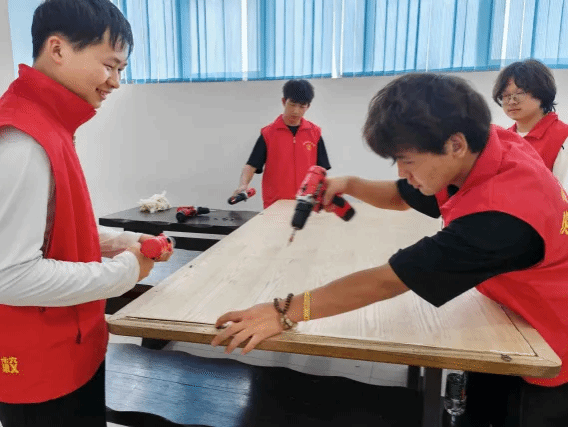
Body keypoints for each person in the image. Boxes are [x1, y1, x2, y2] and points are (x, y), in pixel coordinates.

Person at [212, 73, 568, 427]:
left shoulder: (501, 217)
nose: (402, 171)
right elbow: (403, 195)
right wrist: (347, 184)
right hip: (506, 314)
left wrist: (285, 312)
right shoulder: (485, 146)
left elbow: (390, 280)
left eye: (408, 161)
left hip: (546, 344)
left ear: (455, 145)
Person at [0, 1, 172, 426]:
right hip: (42, 368)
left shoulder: (51, 125)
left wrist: (119, 242)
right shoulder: (23, 142)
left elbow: (53, 227)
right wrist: (125, 271)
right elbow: (10, 276)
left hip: (75, 350)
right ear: (58, 49)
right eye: (109, 65)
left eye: (121, 69)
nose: (115, 81)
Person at [232, 79, 331, 209]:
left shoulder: (315, 133)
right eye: (292, 104)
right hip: (275, 204)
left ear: (308, 106)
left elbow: (322, 170)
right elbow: (251, 165)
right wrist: (243, 184)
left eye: (302, 106)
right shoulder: (268, 134)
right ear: (284, 102)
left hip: (306, 204)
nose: (296, 111)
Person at [493, 59, 568, 185]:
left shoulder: (563, 137)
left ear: (541, 94)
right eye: (505, 96)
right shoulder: (502, 139)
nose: (511, 101)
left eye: (519, 93)